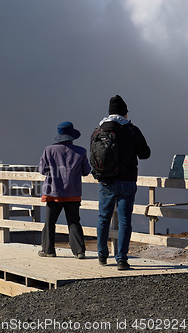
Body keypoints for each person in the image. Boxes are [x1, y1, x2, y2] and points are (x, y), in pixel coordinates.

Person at [92, 95, 151, 270]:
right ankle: (122, 259)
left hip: (106, 181)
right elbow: (145, 154)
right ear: (125, 113)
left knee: (103, 217)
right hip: (127, 181)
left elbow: (92, 157)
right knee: (125, 220)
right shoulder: (131, 129)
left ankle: (102, 255)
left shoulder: (98, 130)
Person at [38, 121, 91, 259]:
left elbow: (42, 170)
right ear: (72, 136)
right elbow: (86, 171)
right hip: (73, 193)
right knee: (74, 222)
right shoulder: (81, 151)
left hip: (53, 192)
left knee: (50, 222)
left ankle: (48, 250)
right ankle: (79, 251)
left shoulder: (49, 150)